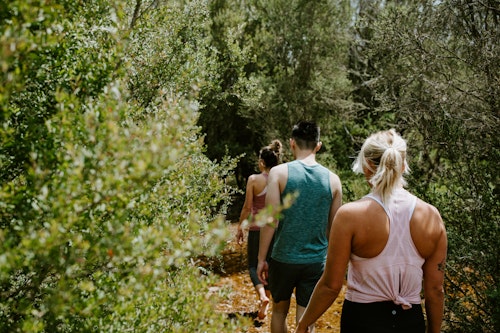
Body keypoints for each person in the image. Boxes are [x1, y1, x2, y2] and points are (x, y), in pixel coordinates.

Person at [296, 129, 448, 333]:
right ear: (403, 165)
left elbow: (331, 286)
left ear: (367, 165)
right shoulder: (431, 216)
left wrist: (304, 324)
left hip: (362, 321)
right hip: (410, 322)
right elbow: (435, 291)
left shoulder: (350, 215)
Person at [257, 120, 343, 333]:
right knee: (306, 320)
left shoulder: (278, 173)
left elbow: (270, 221)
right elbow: (334, 231)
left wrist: (261, 260)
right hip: (315, 261)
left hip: (283, 258)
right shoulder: (334, 181)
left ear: (292, 143)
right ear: (318, 145)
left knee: (278, 312)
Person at [236, 140, 283, 320]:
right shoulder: (280, 180)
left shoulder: (254, 180)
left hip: (257, 230)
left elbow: (247, 207)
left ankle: (263, 297)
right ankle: (264, 307)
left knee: (253, 267)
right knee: (269, 267)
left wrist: (241, 227)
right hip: (275, 229)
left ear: (262, 162)